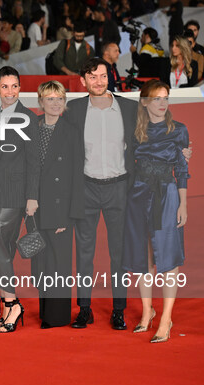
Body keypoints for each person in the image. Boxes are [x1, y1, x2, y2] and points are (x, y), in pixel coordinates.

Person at [65, 58, 138, 330]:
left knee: (119, 253)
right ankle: (84, 308)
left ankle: (119, 309)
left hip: (119, 187)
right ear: (83, 80)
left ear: (110, 77)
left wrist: (179, 149)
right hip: (86, 188)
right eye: (92, 77)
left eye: (103, 76)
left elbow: (145, 139)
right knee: (84, 253)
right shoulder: (73, 109)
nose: (99, 81)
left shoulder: (129, 108)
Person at [122, 80, 189, 343]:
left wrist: (183, 204)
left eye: (166, 98)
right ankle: (147, 311)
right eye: (157, 98)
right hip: (138, 196)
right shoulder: (135, 130)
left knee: (168, 257)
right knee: (143, 258)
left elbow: (182, 171)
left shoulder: (179, 130)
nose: (162, 104)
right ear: (144, 101)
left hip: (167, 195)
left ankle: (166, 318)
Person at [0, 66, 40, 333]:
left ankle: (12, 302)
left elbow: (34, 163)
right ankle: (6, 303)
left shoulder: (29, 118)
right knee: (0, 245)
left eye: (14, 86)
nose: (10, 91)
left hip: (15, 194)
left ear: (20, 88)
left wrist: (31, 197)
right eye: (4, 86)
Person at [32, 81, 84, 328]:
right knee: (40, 263)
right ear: (40, 102)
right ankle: (45, 312)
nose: (55, 103)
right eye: (50, 98)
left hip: (60, 208)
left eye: (59, 99)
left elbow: (77, 176)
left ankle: (57, 317)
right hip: (36, 207)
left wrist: (69, 215)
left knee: (58, 265)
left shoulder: (71, 131)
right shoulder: (33, 127)